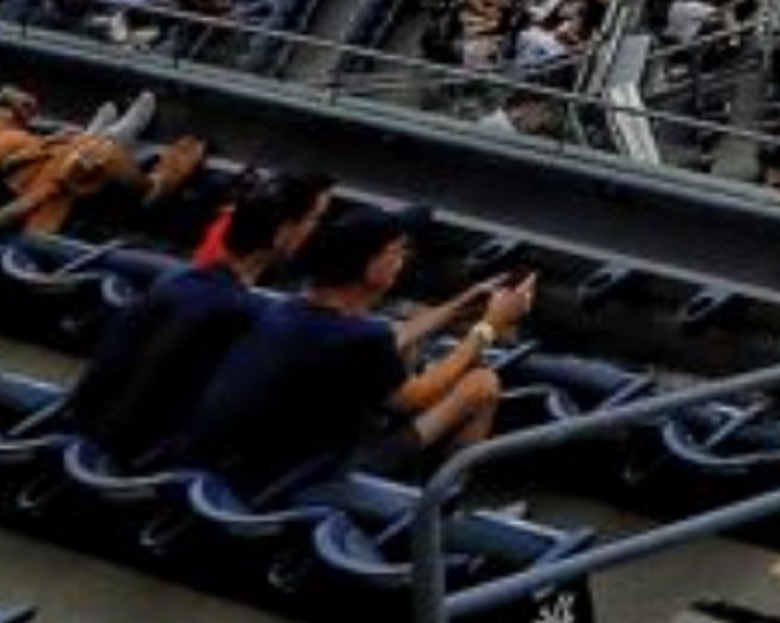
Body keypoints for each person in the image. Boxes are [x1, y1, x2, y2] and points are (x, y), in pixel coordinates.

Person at [168, 204, 530, 500]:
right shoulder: (360, 338)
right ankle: (442, 508)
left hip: (241, 461)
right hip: (307, 473)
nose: (402, 259)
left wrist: (460, 306)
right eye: (397, 251)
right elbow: (419, 397)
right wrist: (489, 327)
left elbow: (390, 338)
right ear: (370, 265)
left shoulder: (291, 309)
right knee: (481, 383)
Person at [57, 171, 318, 463]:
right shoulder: (243, 313)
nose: (313, 230)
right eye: (310, 220)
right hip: (137, 464)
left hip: (89, 441)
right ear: (282, 232)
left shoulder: (175, 282)